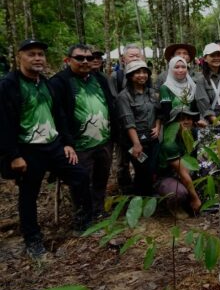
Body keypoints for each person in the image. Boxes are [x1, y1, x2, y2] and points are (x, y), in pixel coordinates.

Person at [0, 39, 92, 258]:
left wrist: (67, 143)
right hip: (28, 149)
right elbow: (3, 123)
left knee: (79, 176)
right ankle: (32, 239)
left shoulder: (46, 83)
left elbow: (59, 115)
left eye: (40, 54)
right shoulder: (8, 85)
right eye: (31, 54)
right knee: (29, 194)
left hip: (53, 145)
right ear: (19, 57)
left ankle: (83, 222)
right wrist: (13, 155)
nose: (37, 58)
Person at [49, 44, 117, 218]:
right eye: (80, 58)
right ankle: (83, 217)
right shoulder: (59, 82)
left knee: (101, 178)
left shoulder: (99, 78)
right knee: (80, 181)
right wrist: (65, 142)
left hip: (103, 140)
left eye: (89, 58)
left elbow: (110, 104)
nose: (86, 61)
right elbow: (58, 115)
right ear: (68, 60)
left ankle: (98, 210)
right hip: (78, 144)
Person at [117, 60, 161, 196]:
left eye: (144, 72)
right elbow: (128, 121)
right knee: (142, 169)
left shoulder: (152, 93)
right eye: (137, 72)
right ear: (130, 76)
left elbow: (159, 112)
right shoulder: (124, 96)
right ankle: (140, 198)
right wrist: (136, 144)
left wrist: (158, 127)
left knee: (151, 169)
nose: (142, 75)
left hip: (152, 139)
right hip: (133, 142)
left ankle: (150, 197)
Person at [109, 43, 146, 191]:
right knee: (123, 160)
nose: (135, 58)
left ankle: (141, 187)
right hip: (123, 131)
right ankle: (125, 189)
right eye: (131, 56)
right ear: (123, 59)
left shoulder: (144, 75)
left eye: (138, 55)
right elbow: (113, 102)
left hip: (142, 128)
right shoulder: (116, 76)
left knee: (141, 159)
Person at [155, 106, 203, 215]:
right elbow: (183, 173)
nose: (186, 122)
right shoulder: (169, 143)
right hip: (168, 177)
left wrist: (206, 128)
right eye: (181, 119)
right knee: (179, 193)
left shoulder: (193, 134)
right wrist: (195, 199)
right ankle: (173, 206)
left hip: (188, 175)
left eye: (189, 118)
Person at [159, 56, 209, 127]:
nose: (181, 70)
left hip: (191, 126)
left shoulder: (192, 86)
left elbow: (195, 109)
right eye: (176, 67)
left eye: (183, 67)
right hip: (173, 128)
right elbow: (167, 114)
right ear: (171, 69)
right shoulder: (165, 88)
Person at [197, 43, 220, 123]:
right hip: (210, 122)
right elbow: (203, 103)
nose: (216, 58)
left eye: (218, 55)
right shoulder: (201, 80)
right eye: (212, 55)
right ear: (205, 58)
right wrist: (217, 122)